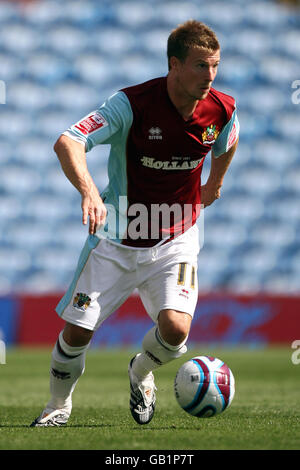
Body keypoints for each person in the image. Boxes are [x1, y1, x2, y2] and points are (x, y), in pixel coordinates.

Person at [31, 20, 239, 427]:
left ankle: (141, 372)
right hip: (117, 239)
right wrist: (89, 191)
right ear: (174, 65)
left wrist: (215, 181)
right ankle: (58, 406)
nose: (210, 76)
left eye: (214, 65)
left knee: (176, 328)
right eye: (200, 66)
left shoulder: (222, 107)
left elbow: (228, 137)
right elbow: (68, 140)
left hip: (176, 237)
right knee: (77, 333)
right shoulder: (131, 104)